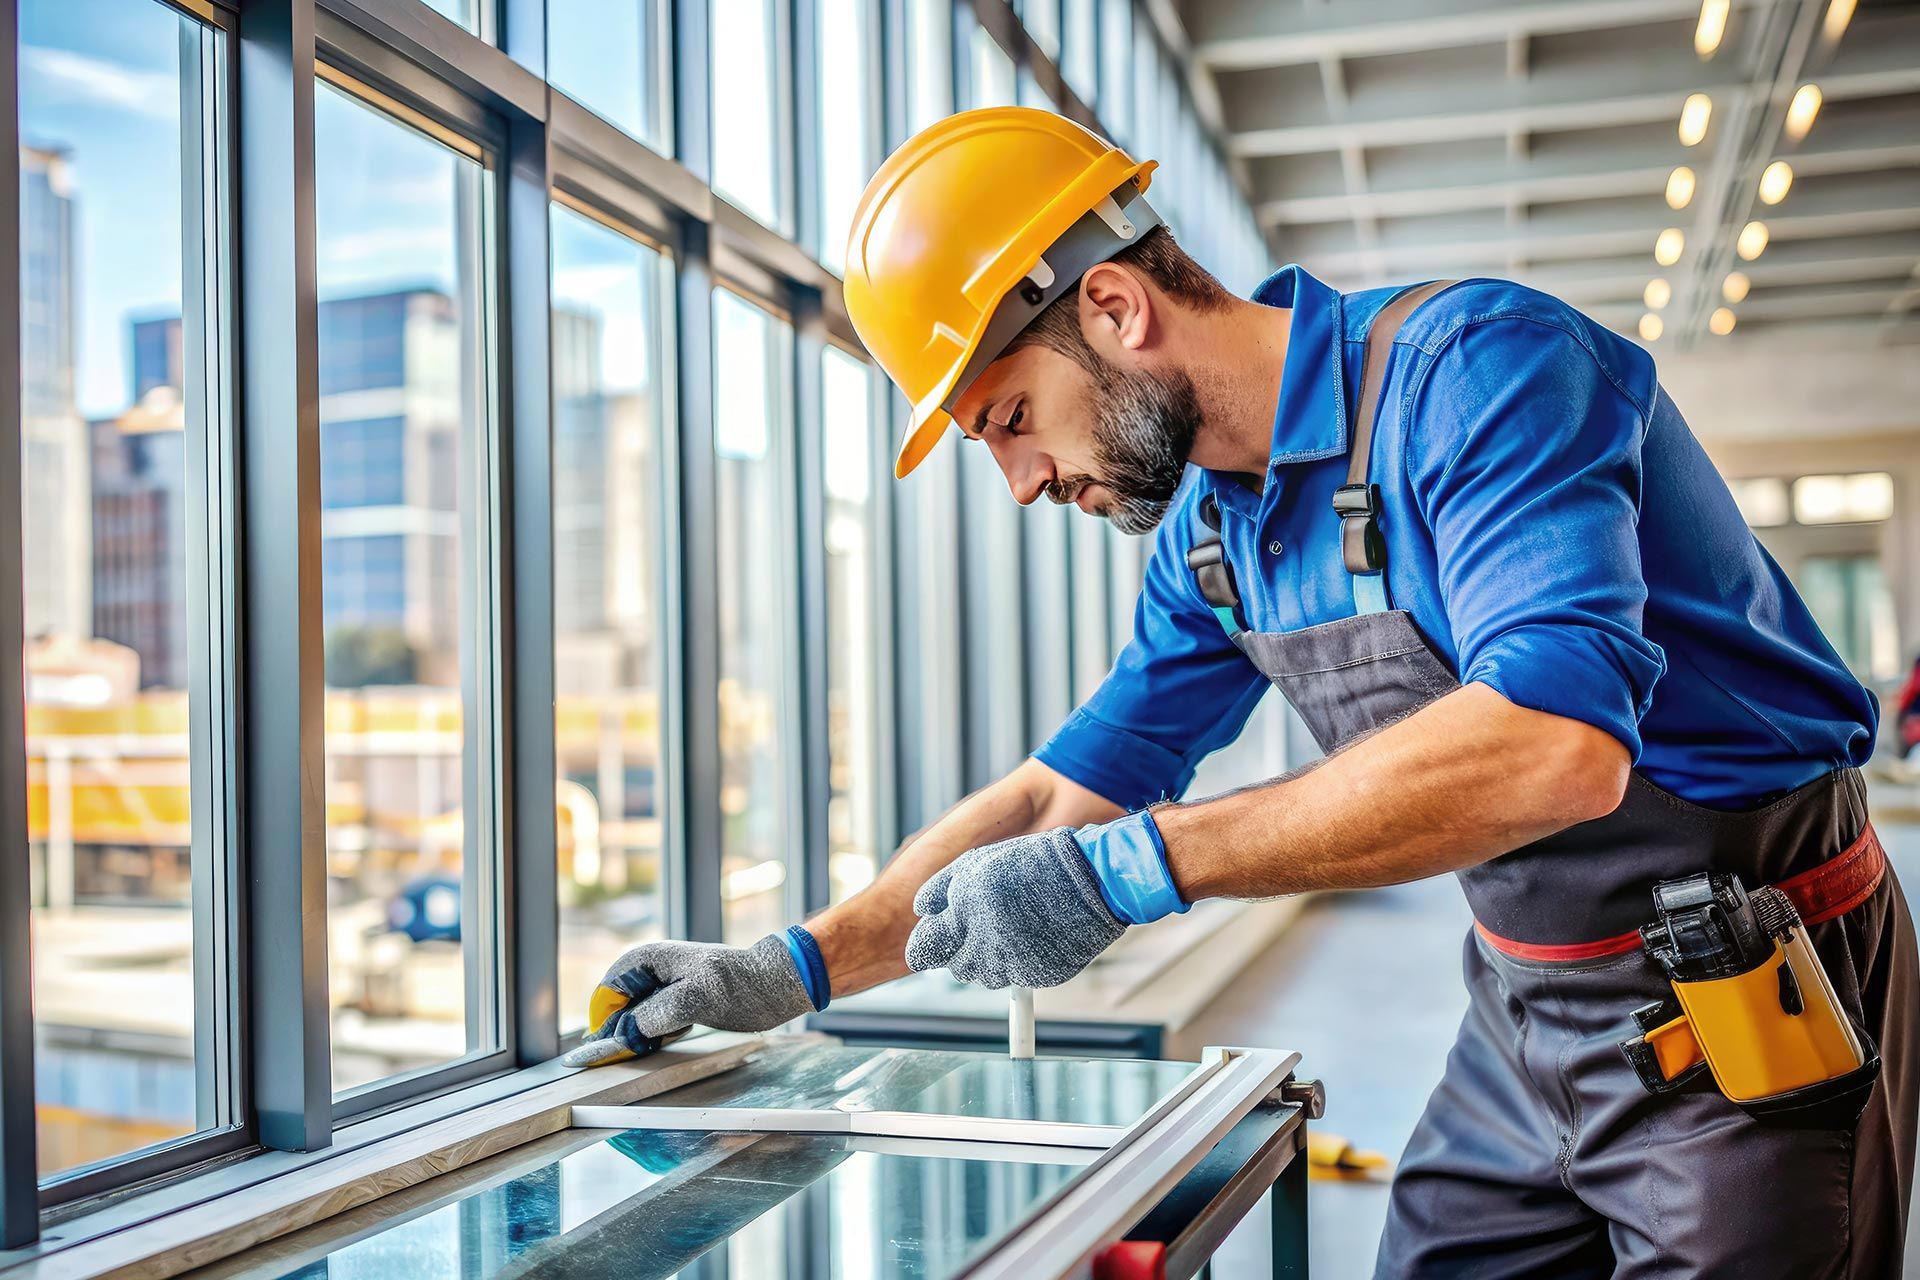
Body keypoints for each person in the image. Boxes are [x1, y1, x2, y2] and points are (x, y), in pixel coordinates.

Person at [572, 108, 1916, 1276]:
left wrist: (1134, 872)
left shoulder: (1477, 375)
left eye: (1008, 420)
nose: (1023, 483)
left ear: (1111, 306)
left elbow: (1554, 746)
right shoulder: (1214, 540)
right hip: (1524, 1005)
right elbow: (1060, 794)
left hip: (1748, 982)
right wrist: (789, 967)